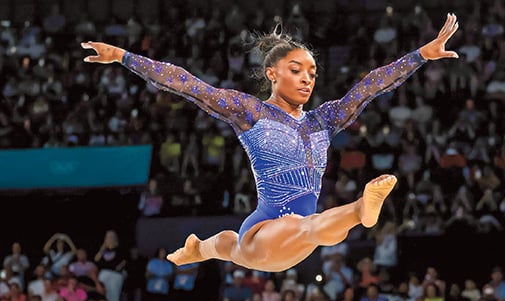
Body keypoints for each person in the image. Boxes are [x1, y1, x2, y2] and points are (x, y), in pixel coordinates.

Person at [81, 14, 461, 273]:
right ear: (271, 74)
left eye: (312, 72)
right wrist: (123, 57)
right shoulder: (251, 112)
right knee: (305, 229)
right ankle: (362, 209)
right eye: (296, 70)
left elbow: (368, 88)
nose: (307, 79)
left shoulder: (322, 120)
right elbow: (188, 85)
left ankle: (199, 248)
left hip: (295, 237)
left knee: (242, 242)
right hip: (265, 231)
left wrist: (420, 56)